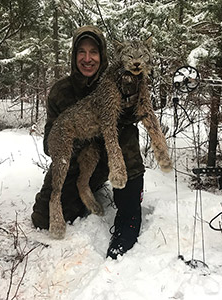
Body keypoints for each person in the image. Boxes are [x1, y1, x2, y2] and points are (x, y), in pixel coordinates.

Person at [31, 25, 145, 259]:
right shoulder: (61, 91)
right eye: (81, 52)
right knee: (42, 218)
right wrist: (76, 137)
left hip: (112, 155)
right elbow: (48, 143)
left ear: (102, 55)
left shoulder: (118, 80)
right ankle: (85, 188)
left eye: (93, 52)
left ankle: (130, 211)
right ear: (74, 56)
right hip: (76, 158)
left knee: (124, 135)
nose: (87, 58)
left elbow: (138, 115)